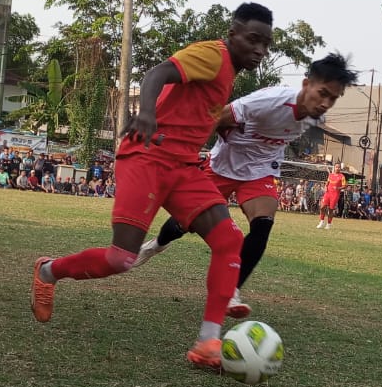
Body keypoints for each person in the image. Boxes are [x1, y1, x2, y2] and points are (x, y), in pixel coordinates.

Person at [30, 3, 274, 369]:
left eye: (266, 44)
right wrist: (145, 113)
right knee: (121, 258)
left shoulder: (229, 74)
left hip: (184, 167)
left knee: (228, 240)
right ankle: (48, 270)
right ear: (233, 33)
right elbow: (157, 74)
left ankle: (208, 342)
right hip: (147, 157)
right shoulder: (212, 55)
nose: (259, 50)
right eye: (253, 39)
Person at [133, 53, 360, 317]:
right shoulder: (268, 101)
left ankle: (231, 291)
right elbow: (216, 118)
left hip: (260, 172)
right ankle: (156, 245)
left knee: (263, 224)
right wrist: (181, 150)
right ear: (306, 84)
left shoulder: (313, 117)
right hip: (222, 167)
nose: (325, 103)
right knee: (182, 224)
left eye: (333, 98)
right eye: (322, 93)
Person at [317, 162, 347, 229]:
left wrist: (338, 188)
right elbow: (327, 183)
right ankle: (321, 222)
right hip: (327, 193)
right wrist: (325, 187)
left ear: (340, 168)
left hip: (335, 195)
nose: (337, 168)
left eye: (339, 167)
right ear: (334, 167)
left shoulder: (342, 176)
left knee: (330, 210)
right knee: (322, 207)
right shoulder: (330, 175)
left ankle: (329, 224)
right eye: (336, 167)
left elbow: (345, 186)